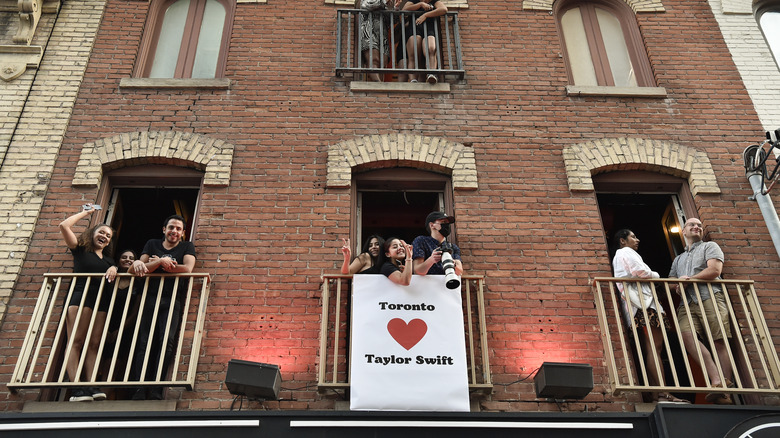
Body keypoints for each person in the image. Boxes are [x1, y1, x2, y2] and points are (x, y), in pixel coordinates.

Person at [612, 229, 688, 404]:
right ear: (622, 241)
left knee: (653, 348)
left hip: (640, 305)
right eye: (633, 236)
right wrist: (656, 275)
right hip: (643, 305)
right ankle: (662, 393)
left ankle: (656, 394)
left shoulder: (621, 254)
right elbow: (641, 272)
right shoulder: (625, 252)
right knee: (655, 348)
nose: (637, 240)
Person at [129, 215, 196, 400]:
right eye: (171, 227)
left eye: (178, 229)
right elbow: (139, 268)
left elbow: (188, 269)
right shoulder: (152, 243)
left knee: (166, 343)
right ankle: (139, 389)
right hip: (149, 298)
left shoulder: (187, 247)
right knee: (144, 342)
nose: (174, 231)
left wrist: (160, 265)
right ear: (164, 229)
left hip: (172, 299)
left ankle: (157, 388)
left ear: (182, 233)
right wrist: (159, 262)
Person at [669, 218, 733, 404]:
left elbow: (714, 270)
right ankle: (717, 380)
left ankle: (724, 391)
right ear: (684, 231)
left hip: (710, 296)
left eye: (699, 226)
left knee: (718, 340)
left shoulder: (710, 246)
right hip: (687, 303)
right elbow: (672, 280)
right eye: (692, 225)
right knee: (685, 335)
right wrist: (678, 283)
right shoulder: (678, 259)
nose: (696, 227)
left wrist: (690, 280)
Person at [59, 204, 116, 402]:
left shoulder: (109, 261)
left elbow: (114, 275)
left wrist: (115, 268)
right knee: (76, 341)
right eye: (102, 232)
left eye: (108, 236)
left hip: (100, 302)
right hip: (80, 298)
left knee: (94, 344)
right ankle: (76, 389)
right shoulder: (81, 250)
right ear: (93, 234)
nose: (105, 237)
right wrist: (87, 212)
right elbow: (64, 226)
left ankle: (91, 385)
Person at [402, 0, 447, 83]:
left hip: (429, 29)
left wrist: (425, 15)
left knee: (431, 48)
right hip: (415, 29)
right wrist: (420, 4)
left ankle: (432, 73)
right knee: (413, 53)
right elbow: (404, 10)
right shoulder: (413, 1)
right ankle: (413, 79)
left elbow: (443, 9)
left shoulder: (434, 2)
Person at [412, 211, 463, 276]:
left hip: (448, 284)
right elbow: (417, 271)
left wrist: (453, 264)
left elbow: (460, 272)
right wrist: (431, 260)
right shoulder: (421, 241)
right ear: (432, 225)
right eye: (443, 222)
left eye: (448, 223)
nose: (447, 225)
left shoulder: (453, 247)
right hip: (427, 284)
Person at [357, 0, 392, 82]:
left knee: (383, 63)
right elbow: (367, 5)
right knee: (374, 59)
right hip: (369, 31)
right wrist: (384, 3)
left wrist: (395, 8)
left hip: (383, 34)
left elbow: (391, 20)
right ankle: (378, 84)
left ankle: (380, 86)